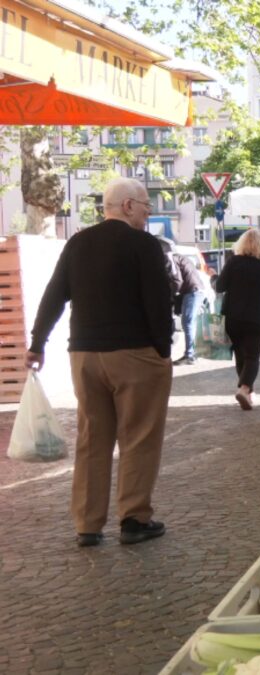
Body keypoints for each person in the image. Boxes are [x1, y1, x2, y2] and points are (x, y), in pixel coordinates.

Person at [26, 177, 174, 547]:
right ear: (127, 206)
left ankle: (87, 524)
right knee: (139, 436)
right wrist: (164, 349)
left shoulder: (78, 242)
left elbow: (54, 295)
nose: (147, 212)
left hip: (85, 355)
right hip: (135, 353)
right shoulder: (144, 245)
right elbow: (158, 301)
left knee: (92, 439)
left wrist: (38, 343)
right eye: (144, 206)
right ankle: (134, 518)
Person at [215, 229, 260, 410]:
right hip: (258, 318)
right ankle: (245, 389)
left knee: (240, 355)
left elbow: (220, 286)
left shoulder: (233, 263)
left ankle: (248, 393)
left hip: (234, 317)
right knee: (253, 356)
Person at [173, 252, 206, 366]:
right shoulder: (181, 256)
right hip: (197, 289)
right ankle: (192, 354)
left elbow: (177, 281)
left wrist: (170, 292)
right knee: (190, 323)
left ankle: (190, 355)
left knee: (188, 323)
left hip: (192, 291)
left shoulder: (172, 259)